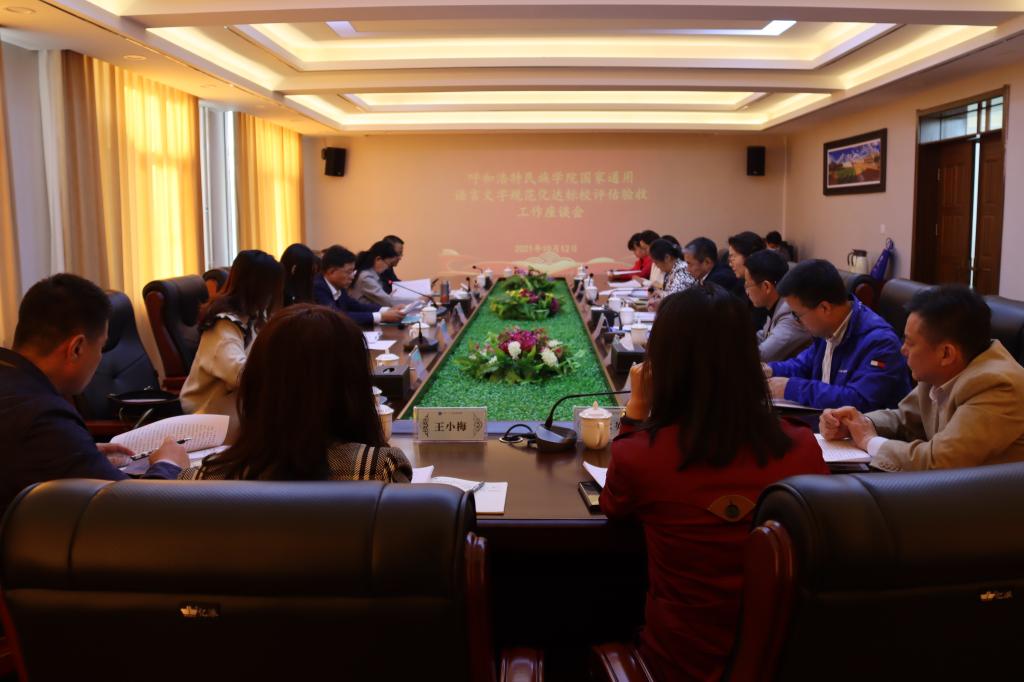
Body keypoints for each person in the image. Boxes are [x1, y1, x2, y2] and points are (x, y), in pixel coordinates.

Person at [600, 286, 828, 682]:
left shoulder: (640, 455)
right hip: (785, 663)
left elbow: (614, 506)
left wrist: (635, 412)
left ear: (662, 363)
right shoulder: (803, 448)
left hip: (675, 668)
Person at [0, 274, 187, 513]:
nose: (99, 358)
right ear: (76, 348)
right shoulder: (44, 418)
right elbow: (136, 510)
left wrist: (81, 454)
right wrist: (169, 464)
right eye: (101, 348)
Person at [180, 304, 412, 482]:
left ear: (255, 384)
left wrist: (167, 468)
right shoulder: (381, 468)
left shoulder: (202, 478)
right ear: (354, 388)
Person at [820, 285, 1024, 471]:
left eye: (910, 343)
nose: (902, 349)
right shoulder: (940, 371)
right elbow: (905, 419)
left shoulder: (998, 386)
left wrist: (869, 441)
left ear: (946, 353)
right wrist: (857, 423)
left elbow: (940, 461)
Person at [766, 259, 911, 411]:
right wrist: (770, 370)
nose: (797, 321)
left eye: (797, 315)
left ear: (824, 308)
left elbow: (859, 401)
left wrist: (792, 388)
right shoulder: (826, 330)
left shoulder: (881, 342)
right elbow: (803, 365)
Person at [180, 249, 283, 442]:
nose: (272, 296)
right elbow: (240, 375)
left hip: (235, 409)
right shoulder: (222, 324)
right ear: (259, 288)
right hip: (207, 418)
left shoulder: (251, 317)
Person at [743, 249, 810, 362]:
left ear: (766, 287)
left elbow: (762, 356)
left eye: (748, 285)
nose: (747, 292)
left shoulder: (791, 314)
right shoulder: (776, 303)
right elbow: (763, 336)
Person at [313, 245, 404, 325]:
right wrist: (381, 316)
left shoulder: (339, 286)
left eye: (353, 271)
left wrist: (386, 310)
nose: (352, 277)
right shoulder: (318, 287)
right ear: (331, 271)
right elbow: (338, 316)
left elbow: (356, 306)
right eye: (348, 272)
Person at [727, 231, 768, 328]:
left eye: (733, 257)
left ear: (750, 257)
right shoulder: (741, 282)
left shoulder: (762, 287)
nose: (730, 264)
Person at [351, 240, 408, 308]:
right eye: (388, 264)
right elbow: (388, 301)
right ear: (378, 259)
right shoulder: (366, 277)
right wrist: (417, 300)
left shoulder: (372, 274)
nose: (387, 268)